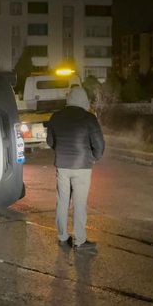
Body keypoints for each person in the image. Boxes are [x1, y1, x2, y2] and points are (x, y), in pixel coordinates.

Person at [46, 86, 104, 251]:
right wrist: (93, 158)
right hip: (82, 167)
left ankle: (62, 237)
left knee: (62, 202)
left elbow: (50, 141)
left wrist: (62, 151)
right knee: (79, 204)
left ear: (69, 99)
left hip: (62, 166)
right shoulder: (89, 118)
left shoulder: (56, 116)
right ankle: (79, 240)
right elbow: (99, 144)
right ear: (84, 100)